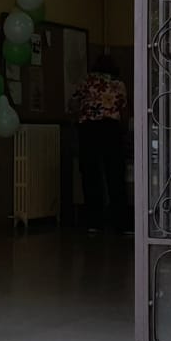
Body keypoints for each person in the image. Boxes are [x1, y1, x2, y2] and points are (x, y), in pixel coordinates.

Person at [70, 55, 130, 234]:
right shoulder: (118, 84)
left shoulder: (86, 81)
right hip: (111, 130)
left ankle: (94, 222)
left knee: (90, 175)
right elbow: (124, 108)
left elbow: (73, 104)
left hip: (88, 130)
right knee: (115, 176)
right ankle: (121, 222)